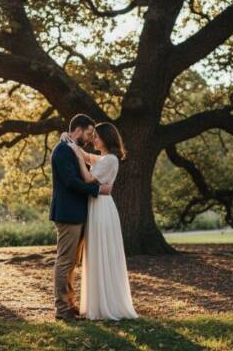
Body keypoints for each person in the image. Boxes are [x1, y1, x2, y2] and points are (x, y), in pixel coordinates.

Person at [64, 122, 139, 321]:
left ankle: (107, 305)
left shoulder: (110, 160)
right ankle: (97, 303)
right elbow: (87, 156)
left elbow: (89, 178)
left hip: (102, 209)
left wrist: (78, 156)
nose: (92, 139)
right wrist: (71, 141)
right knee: (97, 253)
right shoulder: (105, 158)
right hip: (98, 206)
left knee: (102, 252)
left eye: (96, 136)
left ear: (106, 139)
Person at [49, 114, 112, 321]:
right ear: (77, 130)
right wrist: (97, 189)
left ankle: (70, 304)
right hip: (68, 214)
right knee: (65, 261)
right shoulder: (62, 151)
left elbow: (84, 160)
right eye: (88, 133)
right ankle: (62, 309)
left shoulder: (71, 149)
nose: (89, 137)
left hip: (78, 212)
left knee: (73, 261)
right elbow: (70, 182)